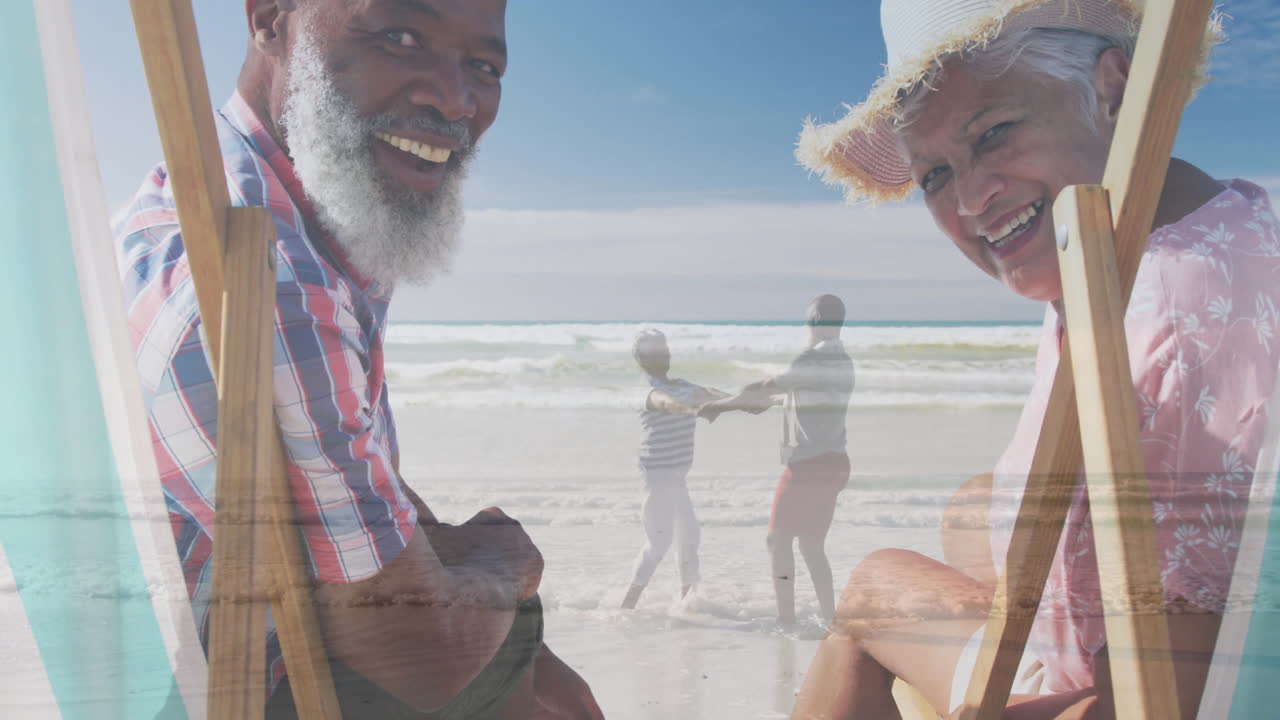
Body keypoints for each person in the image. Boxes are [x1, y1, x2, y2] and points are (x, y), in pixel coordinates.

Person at [787, 1, 1280, 718]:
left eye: (994, 133)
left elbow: (1163, 700)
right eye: (933, 176)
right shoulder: (1216, 224)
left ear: (1112, 90)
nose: (970, 201)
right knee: (970, 508)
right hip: (1144, 603)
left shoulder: (1158, 313)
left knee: (871, 590)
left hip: (1143, 683)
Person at [114, 1, 601, 717]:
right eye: (400, 35)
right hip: (251, 686)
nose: (453, 98)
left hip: (224, 645)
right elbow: (423, 657)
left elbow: (354, 480)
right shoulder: (268, 282)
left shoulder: (238, 198)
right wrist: (508, 560)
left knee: (550, 682)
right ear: (271, 18)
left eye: (483, 67)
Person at [701, 294, 854, 627]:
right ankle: (831, 620)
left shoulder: (809, 359)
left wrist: (719, 405)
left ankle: (786, 622)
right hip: (835, 463)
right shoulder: (842, 360)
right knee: (812, 545)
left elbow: (762, 387)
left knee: (778, 540)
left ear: (814, 318)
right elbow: (779, 396)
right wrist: (732, 401)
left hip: (808, 465)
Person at [621, 329, 727, 609]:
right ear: (641, 359)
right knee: (659, 541)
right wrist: (694, 410)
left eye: (664, 350)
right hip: (657, 474)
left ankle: (685, 601)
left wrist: (756, 401)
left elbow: (716, 395)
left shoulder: (683, 385)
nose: (662, 356)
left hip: (678, 474)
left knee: (689, 535)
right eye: (654, 353)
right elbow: (667, 403)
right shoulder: (647, 390)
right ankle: (626, 606)